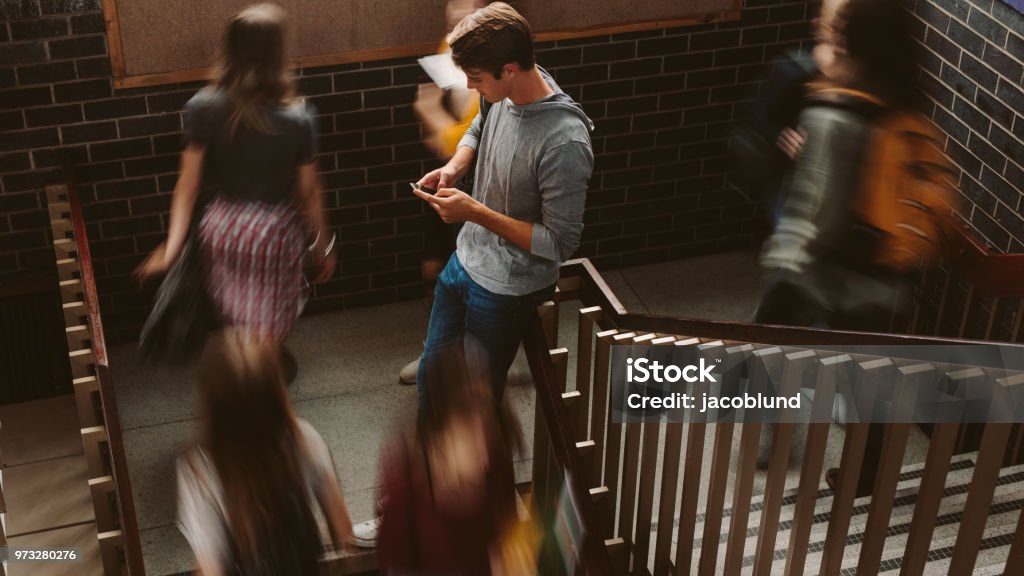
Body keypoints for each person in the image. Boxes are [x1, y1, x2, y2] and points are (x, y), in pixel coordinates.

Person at [754, 0, 927, 495]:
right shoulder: (906, 107)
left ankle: (778, 434)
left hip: (827, 276)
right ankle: (865, 479)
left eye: (837, 35)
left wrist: (783, 261)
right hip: (885, 279)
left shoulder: (836, 113)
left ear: (854, 45)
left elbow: (818, 218)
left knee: (767, 349)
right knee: (870, 383)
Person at [136, 3, 335, 378]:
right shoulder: (300, 116)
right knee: (271, 320)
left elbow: (187, 186)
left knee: (239, 317)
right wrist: (322, 245)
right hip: (275, 233)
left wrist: (172, 247)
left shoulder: (202, 107)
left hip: (222, 229)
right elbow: (309, 192)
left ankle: (245, 382)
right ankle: (267, 379)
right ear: (279, 53)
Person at [411, 2, 595, 403]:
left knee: (475, 403)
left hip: (506, 288)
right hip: (463, 261)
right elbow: (481, 121)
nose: (471, 87)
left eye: (475, 78)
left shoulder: (564, 141)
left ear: (510, 69)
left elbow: (561, 244)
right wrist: (457, 164)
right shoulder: (506, 88)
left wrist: (473, 211)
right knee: (432, 379)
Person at [177, 329, 355, 575]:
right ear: (278, 393)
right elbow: (346, 543)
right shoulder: (304, 440)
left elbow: (212, 569)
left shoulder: (199, 472)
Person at [376, 340, 528, 575]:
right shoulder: (403, 491)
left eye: (486, 425)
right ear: (437, 437)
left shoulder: (497, 456)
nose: (484, 453)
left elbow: (504, 538)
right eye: (468, 434)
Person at [399, 0, 488, 386]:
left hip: (474, 183)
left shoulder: (492, 54)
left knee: (468, 272)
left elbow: (470, 130)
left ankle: (477, 358)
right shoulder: (452, 43)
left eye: (466, 3)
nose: (454, 10)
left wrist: (434, 117)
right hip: (448, 180)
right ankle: (440, 352)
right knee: (435, 269)